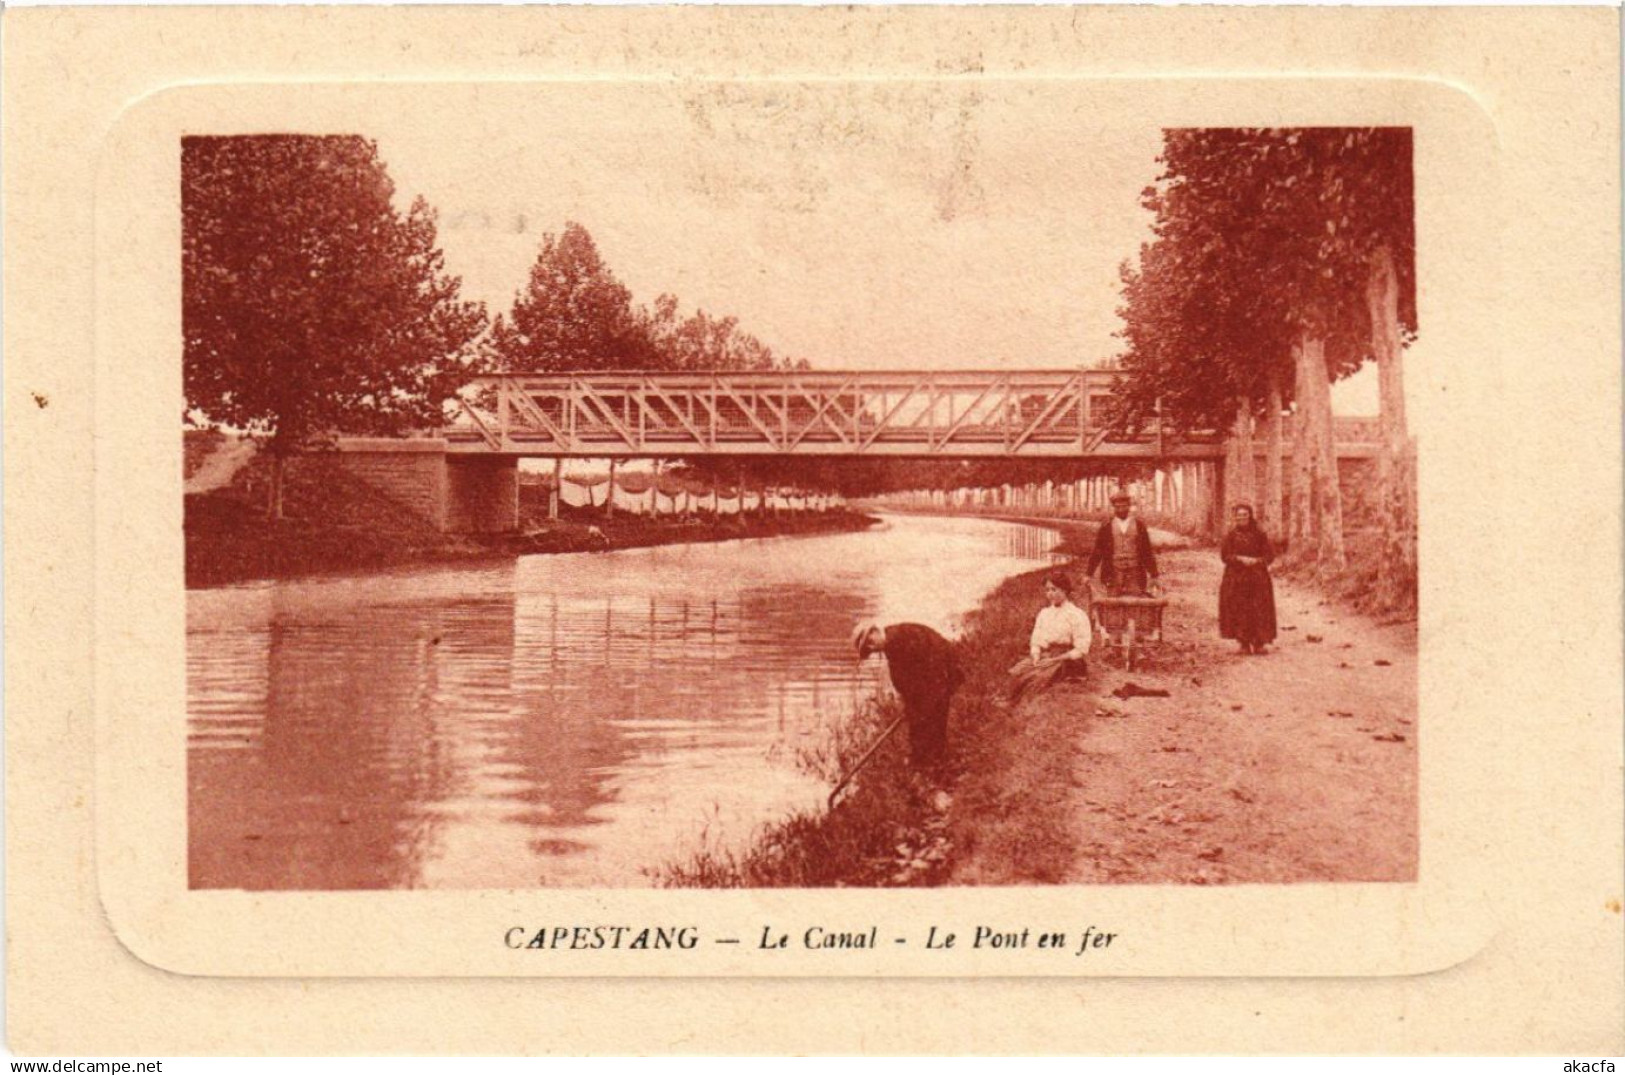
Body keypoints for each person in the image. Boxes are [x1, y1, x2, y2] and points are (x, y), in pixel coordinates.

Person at [851, 620, 963, 768]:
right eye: (869, 648)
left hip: (940, 677)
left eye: (870, 641)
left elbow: (923, 668)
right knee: (924, 728)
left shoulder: (898, 638)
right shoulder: (893, 642)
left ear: (875, 631)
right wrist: (912, 702)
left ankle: (931, 771)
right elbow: (907, 678)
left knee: (930, 727)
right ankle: (928, 768)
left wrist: (916, 702)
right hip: (936, 680)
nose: (872, 647)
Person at [1007, 574, 1093, 704]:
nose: (1050, 594)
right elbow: (1036, 640)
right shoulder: (1044, 613)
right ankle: (1010, 702)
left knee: (1037, 678)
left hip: (1066, 659)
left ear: (1064, 590)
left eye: (1054, 589)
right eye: (1047, 590)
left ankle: (1024, 706)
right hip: (1045, 655)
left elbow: (1081, 649)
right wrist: (1036, 656)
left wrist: (1055, 659)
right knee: (1017, 672)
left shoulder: (1076, 614)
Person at [1218, 503, 1277, 654]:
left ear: (1250, 516)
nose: (1242, 518)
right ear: (1235, 517)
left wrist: (1257, 561)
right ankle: (1243, 643)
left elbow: (1269, 555)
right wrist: (1239, 559)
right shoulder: (1230, 536)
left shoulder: (1260, 534)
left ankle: (1259, 643)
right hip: (1236, 578)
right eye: (1239, 515)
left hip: (1258, 578)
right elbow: (1225, 556)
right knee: (1239, 609)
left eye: (1245, 515)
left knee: (1258, 609)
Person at [1086, 489, 1161, 596]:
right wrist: (1088, 574)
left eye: (1124, 506)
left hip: (1135, 572)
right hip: (1113, 573)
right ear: (1114, 508)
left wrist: (1154, 575)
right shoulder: (1106, 527)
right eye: (1118, 507)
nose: (1121, 509)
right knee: (1113, 604)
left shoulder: (1139, 526)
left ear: (1129, 507)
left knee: (1135, 602)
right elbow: (1098, 551)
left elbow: (1147, 551)